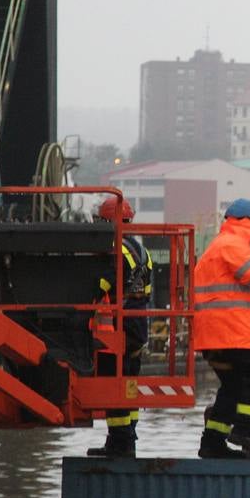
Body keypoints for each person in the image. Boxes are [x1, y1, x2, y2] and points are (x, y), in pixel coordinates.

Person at [192, 199, 250, 459]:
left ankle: (212, 443)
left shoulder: (216, 247)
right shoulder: (232, 244)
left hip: (213, 337)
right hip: (232, 333)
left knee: (233, 388)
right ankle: (243, 429)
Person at [87, 196, 154, 458]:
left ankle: (120, 442)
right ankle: (128, 438)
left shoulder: (114, 250)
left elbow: (101, 286)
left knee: (112, 381)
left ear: (107, 221)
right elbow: (146, 290)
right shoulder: (142, 251)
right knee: (129, 382)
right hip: (139, 322)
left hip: (121, 324)